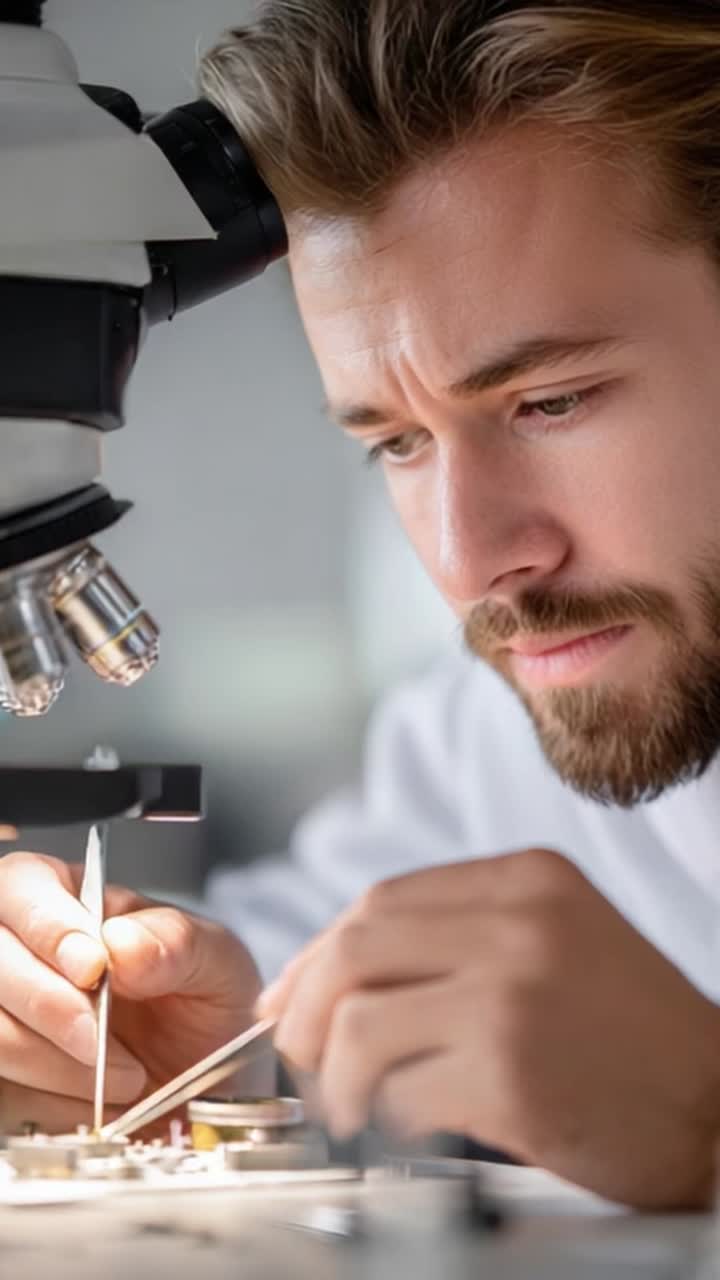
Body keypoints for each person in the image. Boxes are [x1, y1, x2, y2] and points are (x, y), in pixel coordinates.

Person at [4, 0, 720, 1210]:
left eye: (551, 401)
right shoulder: (492, 734)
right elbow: (296, 985)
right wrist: (174, 1042)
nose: (472, 558)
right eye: (395, 441)